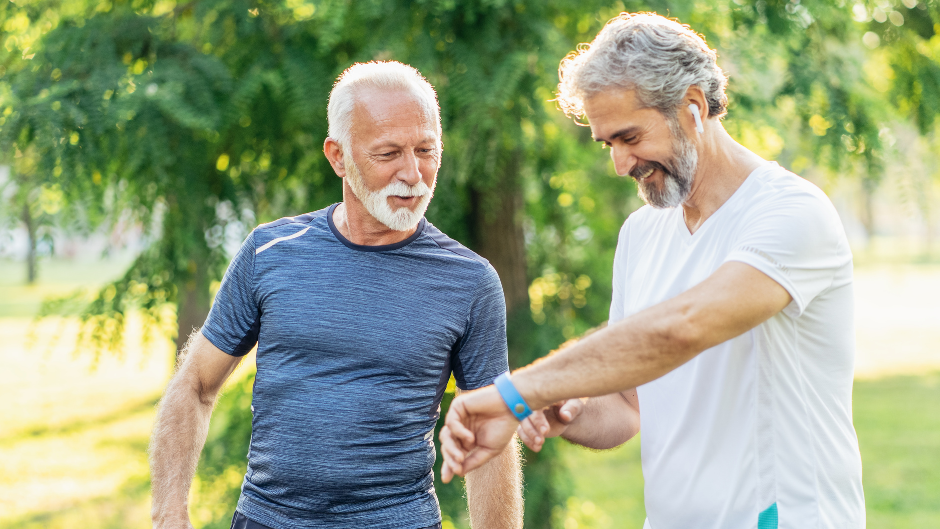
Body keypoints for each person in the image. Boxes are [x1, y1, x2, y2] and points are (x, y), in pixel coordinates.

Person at [439, 13, 865, 529]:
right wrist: (566, 405)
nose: (620, 164)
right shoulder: (642, 234)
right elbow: (629, 405)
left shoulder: (791, 213)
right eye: (607, 144)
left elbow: (681, 329)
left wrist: (516, 392)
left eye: (630, 136)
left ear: (692, 107)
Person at [150, 61, 523, 529]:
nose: (414, 173)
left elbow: (490, 430)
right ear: (338, 156)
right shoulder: (270, 252)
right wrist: (168, 515)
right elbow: (195, 385)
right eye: (388, 154)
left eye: (427, 150)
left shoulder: (470, 281)